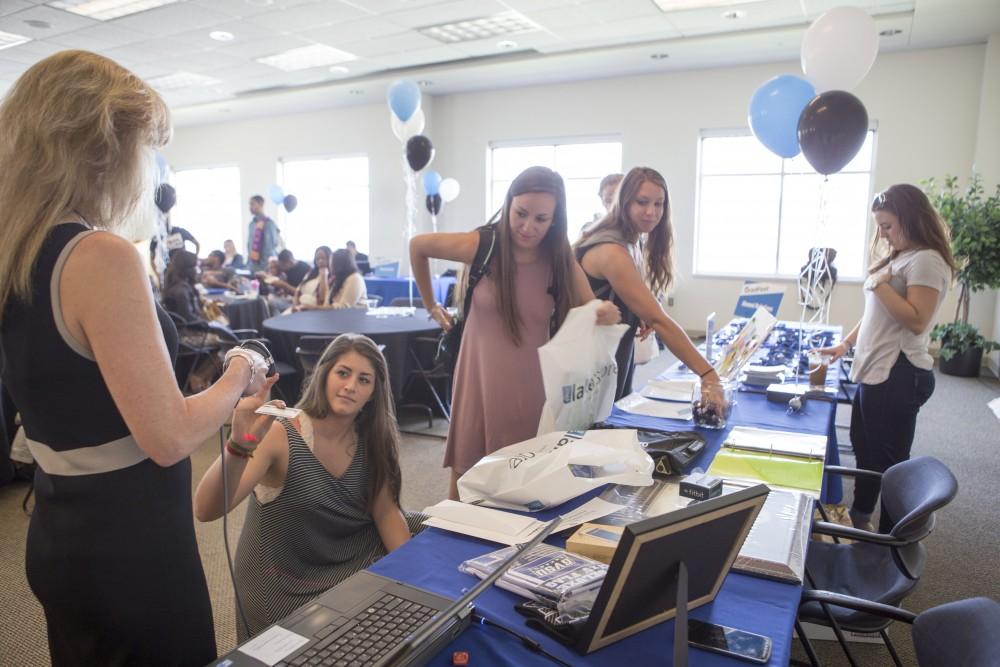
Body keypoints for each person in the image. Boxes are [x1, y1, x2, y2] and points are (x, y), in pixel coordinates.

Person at [0, 50, 274, 667]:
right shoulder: (99, 255)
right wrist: (237, 373)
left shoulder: (14, 250)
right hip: (128, 542)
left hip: (59, 527)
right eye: (143, 150)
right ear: (101, 149)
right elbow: (169, 435)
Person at [409, 166, 621, 500]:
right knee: (465, 483)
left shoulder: (557, 254)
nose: (527, 227)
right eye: (520, 213)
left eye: (541, 218)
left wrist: (603, 311)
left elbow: (589, 305)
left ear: (555, 219)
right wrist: (430, 303)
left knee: (522, 481)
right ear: (508, 204)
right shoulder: (483, 244)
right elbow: (418, 246)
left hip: (532, 383)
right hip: (479, 378)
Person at [194, 334, 423, 640]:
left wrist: (417, 580)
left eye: (364, 379)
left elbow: (386, 514)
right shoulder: (281, 434)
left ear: (374, 392)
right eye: (343, 373)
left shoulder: (373, 439)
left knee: (436, 534)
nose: (351, 386)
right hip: (285, 583)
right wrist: (239, 445)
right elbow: (206, 509)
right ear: (324, 374)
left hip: (350, 557)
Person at [817, 184, 954, 533]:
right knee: (866, 450)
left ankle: (891, 539)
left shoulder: (926, 259)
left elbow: (916, 318)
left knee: (890, 463)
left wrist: (878, 284)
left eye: (888, 225)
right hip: (876, 369)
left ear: (912, 219)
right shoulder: (901, 256)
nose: (883, 234)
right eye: (879, 226)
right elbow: (877, 314)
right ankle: (861, 518)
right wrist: (846, 344)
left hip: (899, 372)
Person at [575, 167, 724, 407]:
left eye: (659, 204)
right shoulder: (612, 249)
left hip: (614, 354)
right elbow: (658, 319)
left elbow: (638, 302)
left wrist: (637, 311)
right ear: (623, 202)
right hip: (590, 363)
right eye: (642, 202)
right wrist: (709, 375)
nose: (651, 212)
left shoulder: (632, 240)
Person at [149, 182, 199, 282]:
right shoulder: (157, 236)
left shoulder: (180, 231)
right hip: (168, 272)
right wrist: (157, 275)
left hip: (183, 270)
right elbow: (152, 257)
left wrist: (193, 259)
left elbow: (197, 243)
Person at [298, 248, 368, 310]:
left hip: (353, 319)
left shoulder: (355, 278)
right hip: (335, 317)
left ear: (338, 263)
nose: (330, 264)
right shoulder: (336, 278)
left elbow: (343, 307)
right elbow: (326, 302)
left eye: (331, 262)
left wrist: (314, 308)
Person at [290, 246, 333, 311]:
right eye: (317, 259)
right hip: (299, 307)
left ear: (330, 259)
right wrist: (296, 306)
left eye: (323, 258)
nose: (320, 261)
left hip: (316, 310)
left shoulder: (332, 277)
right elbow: (298, 291)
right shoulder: (310, 273)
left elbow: (323, 298)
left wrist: (323, 276)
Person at [246, 194, 280, 273]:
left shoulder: (269, 223)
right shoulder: (251, 224)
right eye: (249, 204)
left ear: (261, 204)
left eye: (252, 204)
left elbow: (270, 247)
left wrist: (266, 267)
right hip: (252, 265)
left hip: (265, 266)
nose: (250, 207)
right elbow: (249, 245)